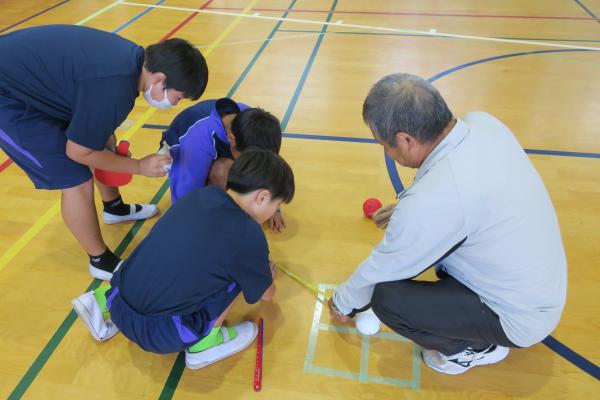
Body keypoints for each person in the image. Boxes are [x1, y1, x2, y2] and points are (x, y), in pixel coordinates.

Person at [328, 73, 567, 375]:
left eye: (384, 145)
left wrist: (343, 303)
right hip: (538, 285)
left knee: (388, 300)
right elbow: (467, 192)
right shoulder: (482, 123)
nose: (385, 152)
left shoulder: (434, 200)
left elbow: (382, 267)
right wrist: (409, 207)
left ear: (405, 139)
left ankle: (474, 349)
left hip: (517, 316)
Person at [0, 25, 208, 280]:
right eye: (178, 97)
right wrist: (139, 167)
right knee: (75, 179)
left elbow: (96, 118)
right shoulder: (114, 86)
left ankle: (114, 208)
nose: (174, 104)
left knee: (101, 141)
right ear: (159, 79)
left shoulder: (130, 62)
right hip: (8, 100)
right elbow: (79, 152)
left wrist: (105, 140)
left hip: (27, 81)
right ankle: (100, 261)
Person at [71, 149, 295, 370]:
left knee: (174, 251)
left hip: (116, 299)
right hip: (159, 334)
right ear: (262, 197)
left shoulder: (202, 194)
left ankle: (98, 300)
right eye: (277, 206)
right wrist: (265, 274)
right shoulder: (249, 234)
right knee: (240, 272)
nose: (274, 212)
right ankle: (205, 345)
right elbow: (267, 295)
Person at [160, 98, 287, 232]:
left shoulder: (254, 121)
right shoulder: (197, 141)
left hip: (214, 147)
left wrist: (273, 206)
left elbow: (267, 165)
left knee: (227, 168)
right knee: (220, 171)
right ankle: (214, 209)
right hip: (180, 154)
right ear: (231, 139)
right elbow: (184, 199)